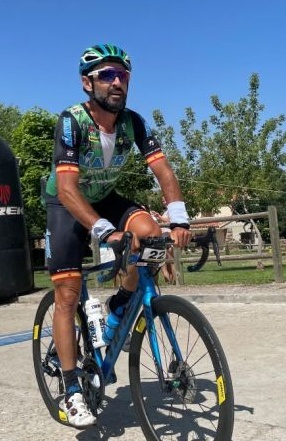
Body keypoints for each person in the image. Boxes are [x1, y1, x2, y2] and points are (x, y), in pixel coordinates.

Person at [42, 44, 192, 428]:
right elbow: (69, 189)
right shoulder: (72, 121)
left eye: (122, 75)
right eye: (107, 75)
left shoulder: (134, 123)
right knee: (68, 292)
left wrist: (178, 219)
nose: (117, 82)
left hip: (104, 195)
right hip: (66, 201)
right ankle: (73, 388)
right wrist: (103, 230)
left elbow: (165, 172)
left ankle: (122, 305)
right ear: (87, 82)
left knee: (149, 236)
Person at [150, 197, 175, 284]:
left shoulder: (172, 210)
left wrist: (159, 217)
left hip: (168, 237)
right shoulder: (166, 211)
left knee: (170, 261)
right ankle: (170, 282)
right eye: (162, 200)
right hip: (163, 237)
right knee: (166, 262)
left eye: (165, 200)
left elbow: (172, 220)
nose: (163, 202)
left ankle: (172, 282)